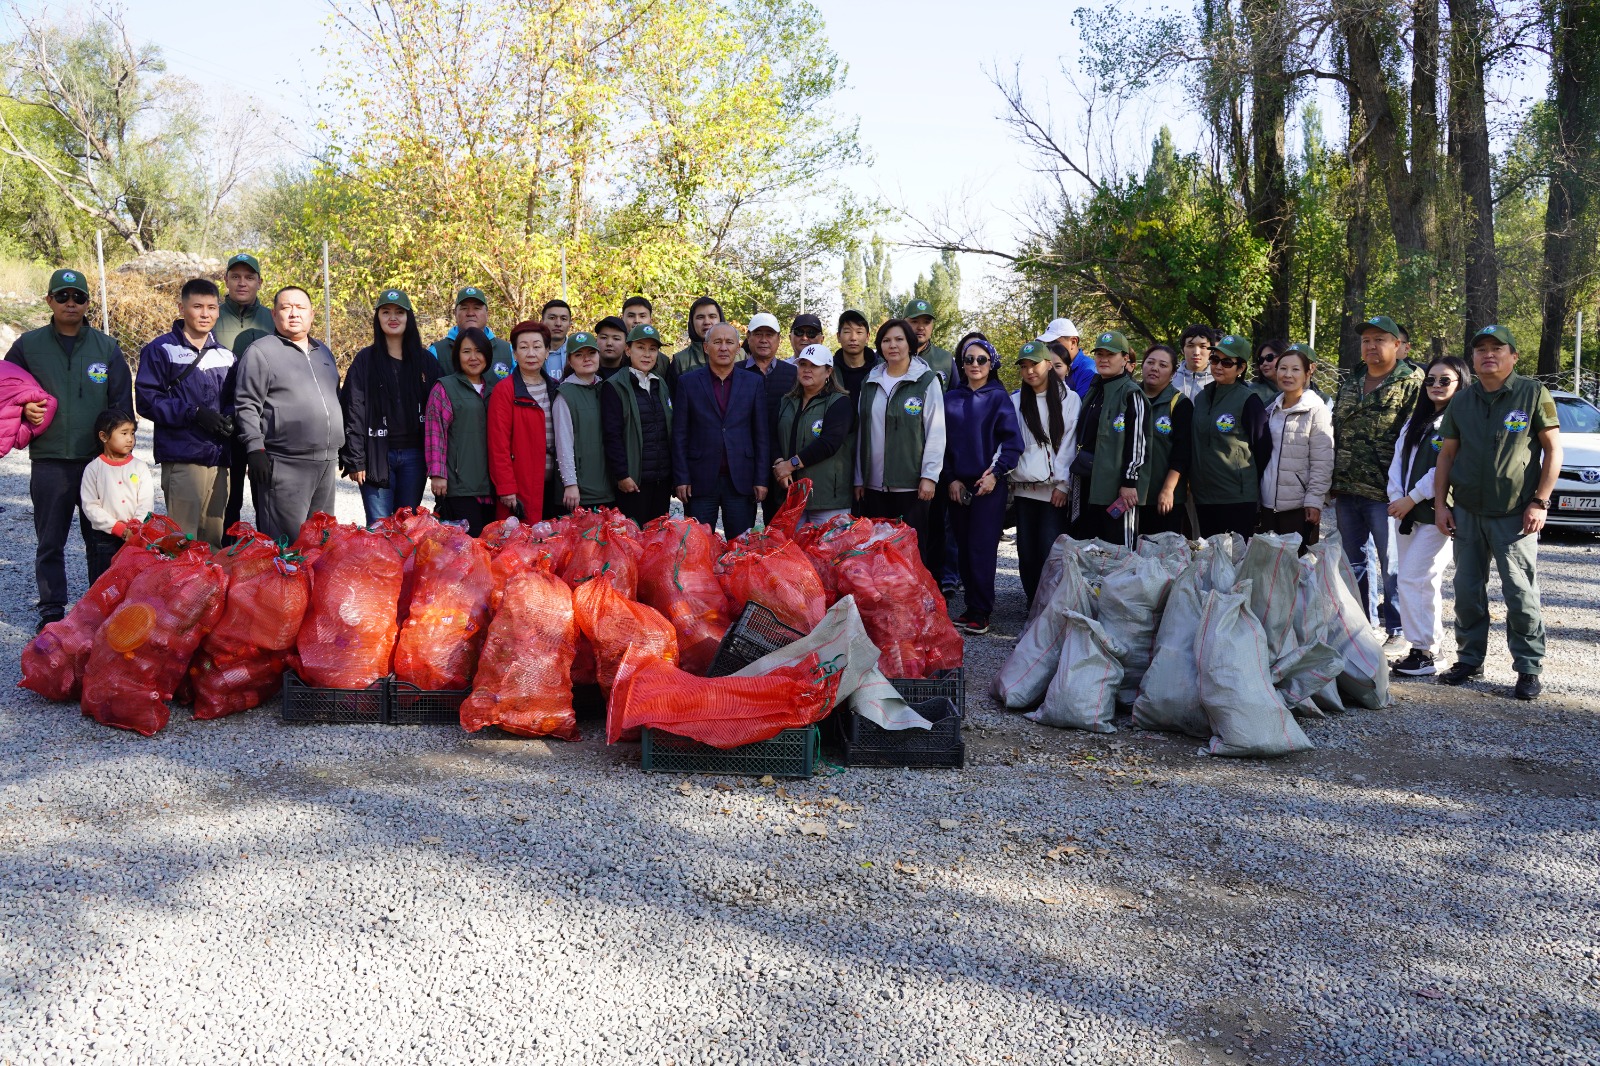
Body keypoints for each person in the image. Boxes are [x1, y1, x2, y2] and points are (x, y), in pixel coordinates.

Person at [1434, 325, 1562, 700]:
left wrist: (1540, 501)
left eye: (1497, 348)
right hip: (1469, 511)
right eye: (1481, 349)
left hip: (1515, 514)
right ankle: (1470, 659)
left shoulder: (1532, 393)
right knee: (1466, 590)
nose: (1488, 354)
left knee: (1520, 593)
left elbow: (1553, 450)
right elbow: (1446, 455)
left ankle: (1528, 667)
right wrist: (1441, 505)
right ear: (1472, 358)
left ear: (1513, 356)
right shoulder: (1462, 400)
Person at [5, 268, 134, 627]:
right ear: (49, 300)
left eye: (78, 297)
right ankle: (51, 612)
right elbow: (6, 392)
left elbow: (122, 403)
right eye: (62, 296)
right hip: (49, 461)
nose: (70, 303)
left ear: (87, 303)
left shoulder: (105, 347)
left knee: (102, 539)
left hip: (98, 463)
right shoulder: (28, 346)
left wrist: (119, 453)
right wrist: (22, 408)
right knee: (50, 541)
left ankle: (102, 608)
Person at [1330, 314, 1421, 639]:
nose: (1371, 346)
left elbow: (1417, 441)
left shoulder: (1412, 384)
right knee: (1356, 563)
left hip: (1387, 494)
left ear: (1397, 346)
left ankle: (1398, 630)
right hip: (1347, 489)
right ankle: (1364, 628)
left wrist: (1409, 493)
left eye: (1380, 340)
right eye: (1366, 340)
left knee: (1392, 565)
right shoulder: (1351, 381)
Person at [234, 287, 342, 543]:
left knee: (321, 542)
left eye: (300, 308)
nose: (294, 314)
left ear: (312, 314)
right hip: (285, 463)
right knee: (287, 545)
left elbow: (333, 399)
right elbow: (246, 403)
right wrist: (255, 449)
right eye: (286, 308)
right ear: (273, 314)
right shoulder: (261, 352)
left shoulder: (323, 352)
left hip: (326, 464)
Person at [1386, 354, 1470, 678]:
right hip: (1406, 514)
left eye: (1444, 380)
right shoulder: (1416, 420)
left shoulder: (1459, 420)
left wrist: (1411, 498)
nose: (1436, 385)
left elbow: (1443, 467)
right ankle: (1420, 649)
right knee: (1413, 580)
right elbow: (1398, 461)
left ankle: (1426, 651)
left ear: (1460, 383)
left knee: (1416, 578)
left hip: (1439, 514)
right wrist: (1396, 498)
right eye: (1431, 379)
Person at [134, 278, 236, 547]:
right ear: (181, 308)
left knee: (212, 540)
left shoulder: (226, 356)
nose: (205, 314)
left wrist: (230, 416)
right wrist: (193, 413)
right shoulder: (161, 350)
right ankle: (178, 590)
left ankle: (208, 591)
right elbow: (147, 400)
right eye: (198, 306)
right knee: (182, 540)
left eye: (212, 307)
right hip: (182, 455)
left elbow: (234, 398)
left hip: (218, 457)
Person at [339, 289, 442, 525]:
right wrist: (356, 459)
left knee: (406, 527)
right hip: (377, 455)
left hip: (415, 458)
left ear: (409, 318)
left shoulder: (425, 360)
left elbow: (438, 412)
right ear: (378, 317)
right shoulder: (365, 360)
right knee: (378, 528)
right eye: (386, 312)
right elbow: (353, 410)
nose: (392, 317)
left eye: (399, 312)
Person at [942, 335, 1022, 635]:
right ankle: (970, 607)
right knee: (963, 547)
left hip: (988, 485)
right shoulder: (950, 398)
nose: (974, 365)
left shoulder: (998, 398)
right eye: (968, 359)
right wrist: (950, 478)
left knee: (982, 548)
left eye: (981, 359)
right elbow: (941, 443)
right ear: (961, 364)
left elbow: (1013, 443)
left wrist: (995, 474)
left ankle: (982, 612)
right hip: (957, 484)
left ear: (992, 363)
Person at [854, 318, 945, 572]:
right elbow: (862, 431)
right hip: (874, 485)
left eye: (899, 339)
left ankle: (917, 607)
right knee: (877, 551)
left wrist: (929, 475)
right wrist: (859, 478)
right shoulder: (870, 381)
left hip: (912, 485)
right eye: (886, 340)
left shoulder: (926, 380)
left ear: (910, 344)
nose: (892, 345)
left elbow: (936, 431)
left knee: (911, 552)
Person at [672, 322, 768, 538]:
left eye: (729, 342)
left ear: (737, 348)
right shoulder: (688, 383)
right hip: (700, 480)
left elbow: (761, 435)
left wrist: (761, 479)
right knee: (699, 548)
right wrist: (681, 477)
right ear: (706, 348)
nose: (723, 348)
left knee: (740, 548)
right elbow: (680, 435)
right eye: (717, 342)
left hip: (741, 480)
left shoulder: (753, 383)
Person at [1009, 341, 1078, 607]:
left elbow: (1070, 444)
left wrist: (1063, 484)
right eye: (1024, 366)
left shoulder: (1069, 399)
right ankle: (1032, 603)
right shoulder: (1015, 401)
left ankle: (1051, 606)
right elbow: (1010, 443)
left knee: (1051, 548)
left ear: (1048, 364)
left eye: (1034, 364)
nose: (1029, 372)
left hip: (1053, 491)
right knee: (1026, 551)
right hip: (1024, 487)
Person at [1188, 333, 1272, 538]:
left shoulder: (1249, 400)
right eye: (1215, 359)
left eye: (1226, 362)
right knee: (1211, 558)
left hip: (1236, 497)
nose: (1217, 366)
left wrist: (1241, 477)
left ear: (1241, 368)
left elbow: (1262, 448)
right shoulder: (1201, 398)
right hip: (1204, 496)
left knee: (1234, 561)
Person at [1069, 330, 1148, 547]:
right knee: (1086, 547)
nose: (1103, 359)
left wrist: (1129, 481)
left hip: (1116, 487)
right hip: (1086, 480)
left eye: (1110, 354)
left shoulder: (1131, 393)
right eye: (1099, 354)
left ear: (1125, 359)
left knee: (1117, 550)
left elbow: (1138, 441)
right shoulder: (1095, 388)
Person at [215, 253, 275, 539]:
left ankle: (270, 562)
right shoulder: (211, 314)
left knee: (268, 498)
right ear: (225, 279)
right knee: (228, 501)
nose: (242, 283)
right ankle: (224, 563)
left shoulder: (272, 318)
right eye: (236, 276)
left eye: (249, 277)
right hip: (223, 423)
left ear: (259, 282)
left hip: (263, 423)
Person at [488, 322, 564, 522]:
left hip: (556, 486)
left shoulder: (557, 389)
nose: (531, 353)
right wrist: (506, 488)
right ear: (514, 353)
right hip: (521, 485)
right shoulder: (505, 390)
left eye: (537, 346)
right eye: (523, 347)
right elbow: (498, 445)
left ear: (547, 351)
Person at [1258, 344, 1332, 550]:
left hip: (1298, 507)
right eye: (1283, 368)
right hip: (1267, 503)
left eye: (1295, 369)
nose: (1287, 374)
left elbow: (1322, 461)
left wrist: (1315, 501)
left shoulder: (1317, 411)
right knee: (1267, 570)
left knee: (1299, 571)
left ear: (1308, 372)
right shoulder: (1271, 410)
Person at [773, 344, 855, 526]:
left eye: (814, 366)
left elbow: (829, 443)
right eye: (803, 364)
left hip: (827, 500)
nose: (807, 370)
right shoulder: (787, 401)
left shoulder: (839, 403)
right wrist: (780, 464)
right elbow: (774, 435)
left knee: (828, 554)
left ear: (828, 372)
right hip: (792, 498)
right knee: (795, 553)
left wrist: (791, 464)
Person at [425, 327, 496, 535]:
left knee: (490, 548)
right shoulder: (445, 388)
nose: (473, 357)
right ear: (457, 355)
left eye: (478, 351)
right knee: (465, 548)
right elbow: (434, 432)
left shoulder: (496, 388)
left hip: (492, 487)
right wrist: (438, 473)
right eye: (466, 351)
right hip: (459, 485)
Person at [603, 323, 675, 525]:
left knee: (656, 542)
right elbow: (612, 434)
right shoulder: (615, 385)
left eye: (652, 349)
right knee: (632, 542)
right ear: (628, 350)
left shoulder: (660, 383)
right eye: (640, 347)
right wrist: (622, 475)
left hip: (661, 480)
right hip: (634, 481)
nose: (647, 354)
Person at [79, 409, 153, 581]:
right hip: (105, 537)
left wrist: (135, 526)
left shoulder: (139, 467)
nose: (130, 439)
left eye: (132, 433)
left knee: (132, 581)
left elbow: (146, 502)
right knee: (104, 581)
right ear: (104, 436)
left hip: (136, 535)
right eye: (124, 433)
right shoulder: (94, 469)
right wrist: (118, 528)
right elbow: (90, 506)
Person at [553, 327, 617, 516]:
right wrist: (570, 483)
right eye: (579, 355)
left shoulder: (607, 388)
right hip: (580, 492)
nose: (586, 358)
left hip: (608, 487)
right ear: (570, 361)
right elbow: (563, 444)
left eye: (591, 353)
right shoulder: (565, 394)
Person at [742, 312, 798, 523]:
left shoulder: (793, 374)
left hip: (781, 462)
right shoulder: (735, 372)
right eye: (758, 334)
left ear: (779, 339)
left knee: (778, 528)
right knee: (741, 531)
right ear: (749, 337)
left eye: (769, 334)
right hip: (745, 461)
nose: (764, 340)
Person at [1138, 343, 1191, 537]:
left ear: (1173, 373)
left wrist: (1168, 489)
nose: (1154, 368)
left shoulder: (1180, 403)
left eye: (1162, 365)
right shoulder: (1130, 396)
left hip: (1165, 497)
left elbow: (1182, 452)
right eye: (1150, 363)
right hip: (1132, 495)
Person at [430, 286, 514, 380]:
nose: (470, 313)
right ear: (455, 313)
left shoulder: (507, 350)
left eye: (477, 308)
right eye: (464, 308)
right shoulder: (436, 351)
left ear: (487, 313)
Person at [668, 296, 723, 381]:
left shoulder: (739, 355)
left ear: (721, 320)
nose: (707, 322)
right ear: (692, 322)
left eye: (712, 316)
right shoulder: (680, 361)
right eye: (700, 317)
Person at [1040, 318, 1096, 398]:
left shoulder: (1089, 370)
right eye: (1048, 344)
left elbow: (1080, 407)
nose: (1050, 348)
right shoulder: (1047, 366)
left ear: (1073, 342)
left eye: (1054, 343)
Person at [902, 297, 953, 378]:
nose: (921, 327)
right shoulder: (887, 355)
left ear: (932, 325)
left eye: (926, 322)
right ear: (903, 324)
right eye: (914, 321)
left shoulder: (946, 359)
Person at [833, 308, 878, 399]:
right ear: (838, 337)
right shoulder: (829, 371)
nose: (853, 337)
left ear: (867, 337)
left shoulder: (881, 369)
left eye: (859, 332)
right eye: (847, 332)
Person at [1173, 323, 1217, 400]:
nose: (1196, 352)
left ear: (1211, 351)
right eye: (1190, 346)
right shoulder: (1170, 378)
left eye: (1203, 346)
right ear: (1182, 350)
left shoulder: (1218, 379)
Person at [540, 299, 572, 378]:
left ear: (570, 325)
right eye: (552, 318)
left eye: (563, 319)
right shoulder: (531, 353)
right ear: (542, 322)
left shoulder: (576, 352)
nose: (558, 324)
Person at [1250, 338, 1285, 404]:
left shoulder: (1302, 388)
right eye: (1261, 360)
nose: (1264, 363)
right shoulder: (1253, 391)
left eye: (1269, 358)